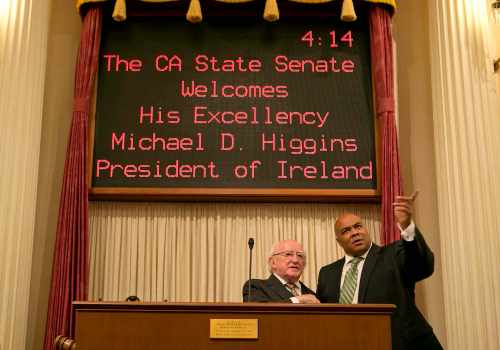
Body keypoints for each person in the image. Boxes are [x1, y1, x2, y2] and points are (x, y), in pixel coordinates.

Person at [317, 192, 443, 350]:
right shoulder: (327, 274)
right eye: (346, 230)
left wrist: (407, 227)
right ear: (338, 241)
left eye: (358, 226)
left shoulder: (393, 254)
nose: (355, 232)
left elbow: (422, 267)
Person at [243, 239, 319, 303]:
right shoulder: (255, 287)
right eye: (288, 254)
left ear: (304, 264)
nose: (295, 260)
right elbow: (261, 313)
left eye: (300, 255)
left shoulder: (312, 295)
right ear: (273, 262)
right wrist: (298, 300)